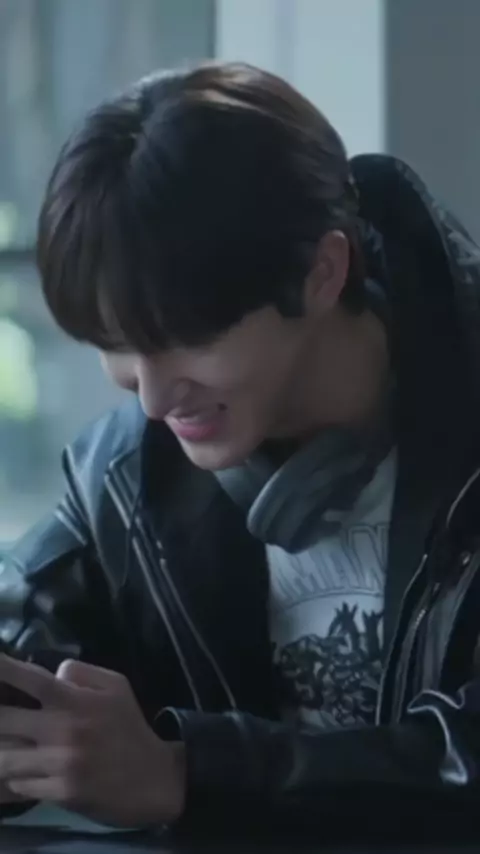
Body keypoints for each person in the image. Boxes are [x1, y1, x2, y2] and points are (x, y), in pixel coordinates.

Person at [1, 60, 480, 835]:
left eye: (188, 339)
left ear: (321, 273)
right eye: (117, 345)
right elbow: (22, 634)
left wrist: (187, 773)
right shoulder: (122, 473)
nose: (152, 400)